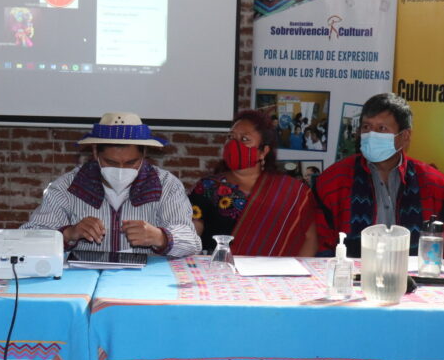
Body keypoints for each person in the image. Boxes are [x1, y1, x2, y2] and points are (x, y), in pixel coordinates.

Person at [314, 92, 444, 258]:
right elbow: (318, 245)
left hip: (416, 280)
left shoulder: (436, 186)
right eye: (366, 127)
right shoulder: (332, 182)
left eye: (381, 128)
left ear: (404, 137)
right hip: (351, 280)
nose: (371, 135)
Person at [21, 112, 200, 257]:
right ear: (95, 152)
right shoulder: (67, 186)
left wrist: (161, 237)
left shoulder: (167, 186)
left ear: (144, 154)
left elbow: (192, 243)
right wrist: (69, 234)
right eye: (111, 162)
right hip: (83, 281)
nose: (121, 170)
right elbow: (28, 241)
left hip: (145, 282)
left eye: (130, 163)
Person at [190, 110, 317, 256]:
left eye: (244, 139)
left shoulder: (293, 192)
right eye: (230, 137)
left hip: (276, 276)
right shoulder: (207, 187)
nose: (234, 144)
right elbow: (191, 235)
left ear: (263, 151)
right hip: (219, 272)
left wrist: (295, 276)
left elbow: (309, 238)